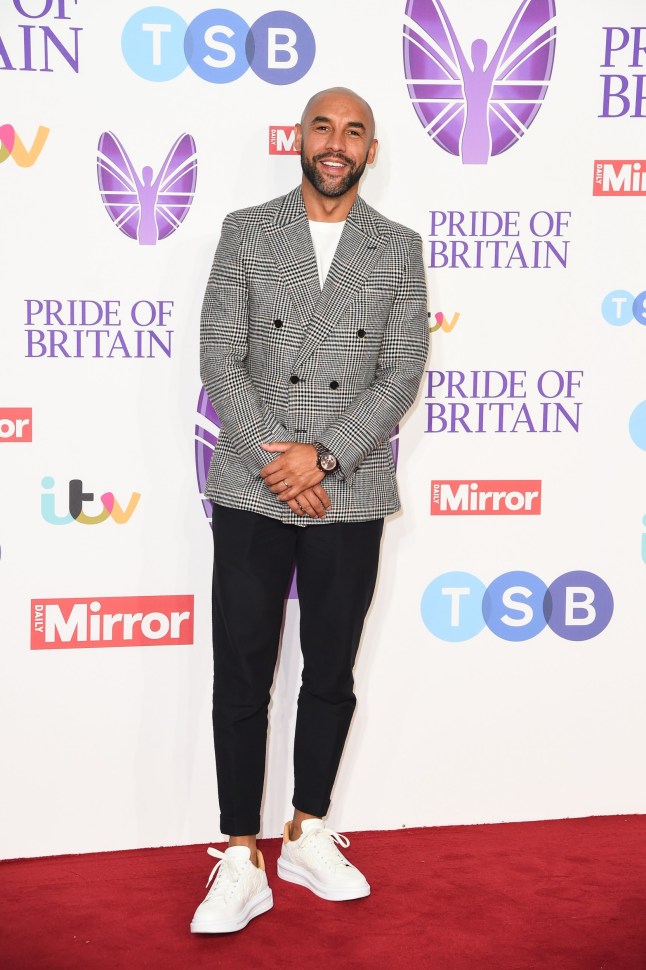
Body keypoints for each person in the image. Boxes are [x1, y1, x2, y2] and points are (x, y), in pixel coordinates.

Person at [191, 87, 428, 934]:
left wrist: (322, 457)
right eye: (322, 127)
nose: (336, 143)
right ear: (300, 139)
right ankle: (239, 854)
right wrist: (278, 459)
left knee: (330, 671)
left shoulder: (398, 249)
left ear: (371, 149)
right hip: (256, 481)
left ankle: (309, 830)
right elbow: (220, 353)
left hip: (349, 484)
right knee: (242, 674)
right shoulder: (246, 230)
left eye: (353, 131)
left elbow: (401, 372)